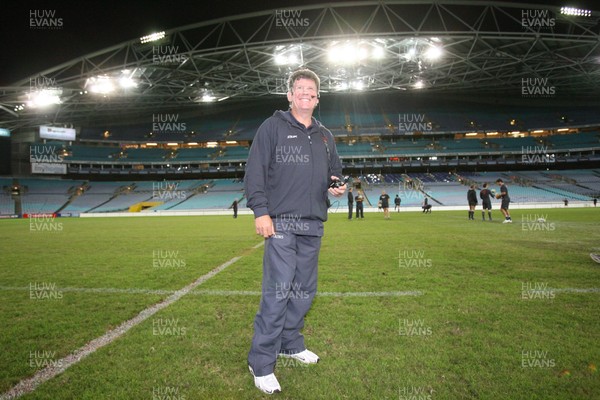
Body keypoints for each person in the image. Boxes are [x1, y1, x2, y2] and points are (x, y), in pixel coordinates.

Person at [244, 68, 346, 395]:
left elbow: (334, 173)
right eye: (299, 89)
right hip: (282, 223)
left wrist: (336, 188)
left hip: (313, 223)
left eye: (311, 91)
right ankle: (261, 363)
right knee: (278, 291)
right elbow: (254, 172)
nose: (305, 94)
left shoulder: (325, 136)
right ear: (290, 95)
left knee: (304, 291)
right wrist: (261, 211)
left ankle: (290, 343)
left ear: (317, 98)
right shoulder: (272, 127)